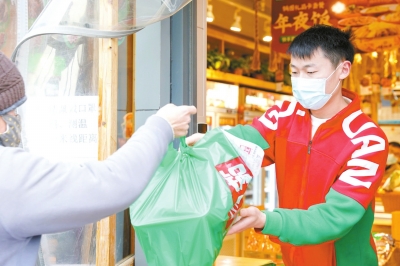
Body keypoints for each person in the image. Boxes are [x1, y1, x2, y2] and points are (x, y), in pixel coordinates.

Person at [188, 24, 388, 266]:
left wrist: (267, 220)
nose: (300, 81)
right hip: (293, 258)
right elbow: (243, 143)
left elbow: (334, 218)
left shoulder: (367, 140)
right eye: (294, 72)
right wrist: (208, 145)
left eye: (310, 72)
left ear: (343, 69)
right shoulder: (282, 116)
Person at [0, 51, 197, 266]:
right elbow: (112, 182)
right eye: (10, 114)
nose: (14, 122)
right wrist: (162, 126)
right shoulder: (8, 175)